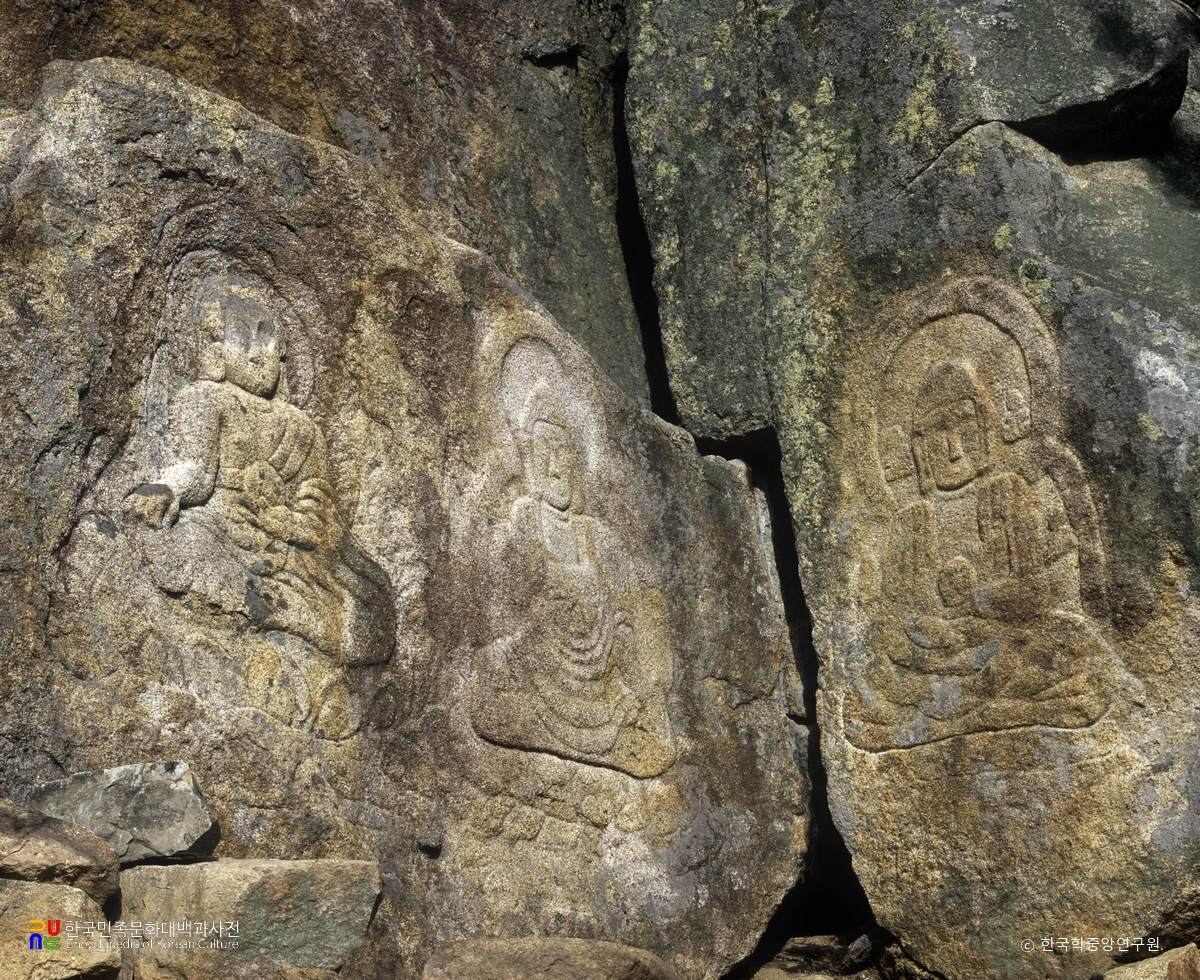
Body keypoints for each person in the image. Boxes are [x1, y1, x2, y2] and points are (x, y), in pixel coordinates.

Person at [125, 276, 394, 667]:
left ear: (283, 356)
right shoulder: (204, 398)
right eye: (244, 338)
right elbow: (196, 473)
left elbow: (317, 516)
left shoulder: (302, 427)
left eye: (269, 342)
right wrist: (166, 488)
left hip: (285, 551)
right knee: (170, 547)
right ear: (214, 351)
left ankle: (280, 616)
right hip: (219, 528)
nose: (258, 354)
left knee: (357, 617)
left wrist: (283, 521)